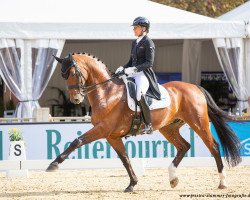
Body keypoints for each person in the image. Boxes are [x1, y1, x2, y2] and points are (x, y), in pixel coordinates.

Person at [115, 16, 161, 134]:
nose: (134, 30)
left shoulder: (148, 42)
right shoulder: (134, 42)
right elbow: (131, 61)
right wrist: (123, 68)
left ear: (144, 29)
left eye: (136, 27)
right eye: (134, 27)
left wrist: (133, 69)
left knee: (139, 95)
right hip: (133, 73)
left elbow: (149, 63)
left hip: (143, 74)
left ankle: (148, 124)